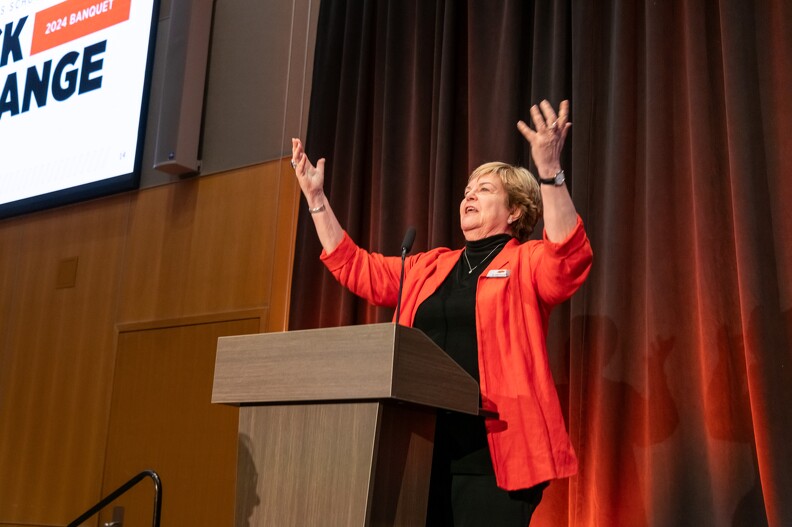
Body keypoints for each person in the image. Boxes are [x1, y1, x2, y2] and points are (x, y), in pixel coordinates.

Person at [291, 100, 593, 526]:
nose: (470, 194)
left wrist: (550, 172)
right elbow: (356, 267)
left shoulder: (527, 262)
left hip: (493, 454)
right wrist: (317, 199)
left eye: (485, 189)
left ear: (516, 211)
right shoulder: (429, 265)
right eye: (469, 189)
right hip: (420, 445)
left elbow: (568, 258)